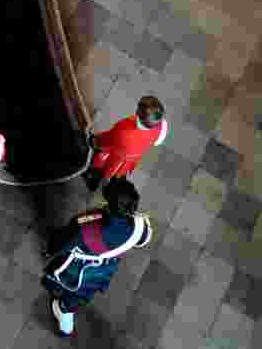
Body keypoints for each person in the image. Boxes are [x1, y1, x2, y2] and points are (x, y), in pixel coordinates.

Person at [42, 178, 153, 336]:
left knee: (68, 282)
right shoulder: (140, 225)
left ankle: (62, 309)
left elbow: (64, 241)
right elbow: (143, 240)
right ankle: (66, 317)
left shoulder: (87, 225)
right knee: (82, 294)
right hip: (104, 270)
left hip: (78, 267)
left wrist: (51, 248)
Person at [82, 95, 168, 192]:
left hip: (114, 157)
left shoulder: (124, 129)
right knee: (116, 172)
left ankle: (95, 181)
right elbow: (157, 142)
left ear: (138, 114)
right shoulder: (162, 125)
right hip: (131, 159)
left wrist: (94, 140)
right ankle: (104, 183)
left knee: (104, 170)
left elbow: (106, 140)